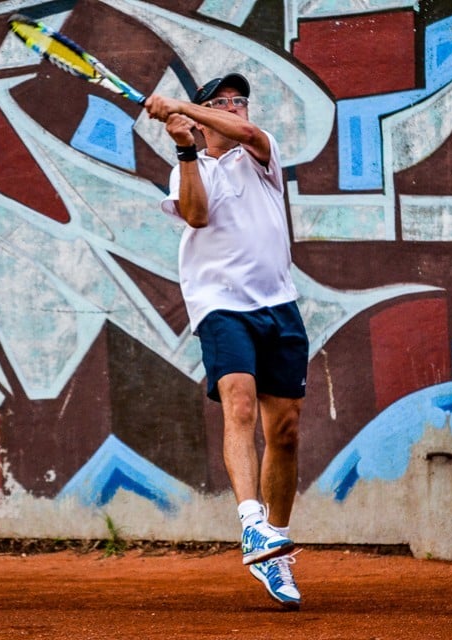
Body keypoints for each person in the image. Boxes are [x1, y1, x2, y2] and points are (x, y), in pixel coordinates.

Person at [145, 74, 308, 610]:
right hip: (220, 307)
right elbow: (195, 214)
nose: (237, 109)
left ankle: (275, 552)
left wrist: (183, 107)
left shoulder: (261, 155)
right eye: (225, 102)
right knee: (238, 401)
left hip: (278, 305)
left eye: (241, 101)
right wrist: (185, 146)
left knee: (284, 431)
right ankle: (251, 523)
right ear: (206, 113)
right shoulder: (190, 166)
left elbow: (246, 131)